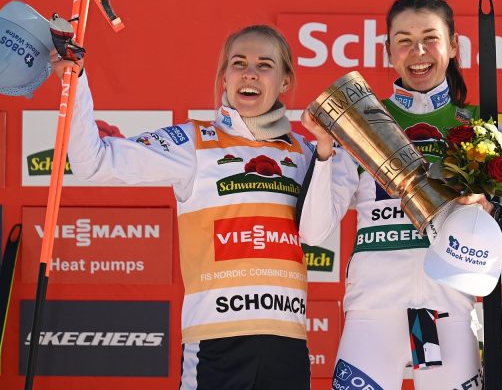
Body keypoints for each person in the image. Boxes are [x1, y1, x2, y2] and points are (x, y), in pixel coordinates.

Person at [54, 25, 354, 390]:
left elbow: (316, 232)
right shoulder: (192, 143)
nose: (249, 73)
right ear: (224, 77)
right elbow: (93, 162)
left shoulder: (308, 153)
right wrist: (75, 81)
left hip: (286, 345)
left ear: (285, 81)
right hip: (216, 343)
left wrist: (327, 151)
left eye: (264, 65)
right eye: (238, 63)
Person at [299, 0, 502, 389]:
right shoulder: (359, 123)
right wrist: (323, 150)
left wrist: (488, 211)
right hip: (373, 315)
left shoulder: (482, 126)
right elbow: (313, 231)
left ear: (453, 45)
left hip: (447, 314)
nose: (418, 52)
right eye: (404, 40)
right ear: (388, 51)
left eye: (430, 38)